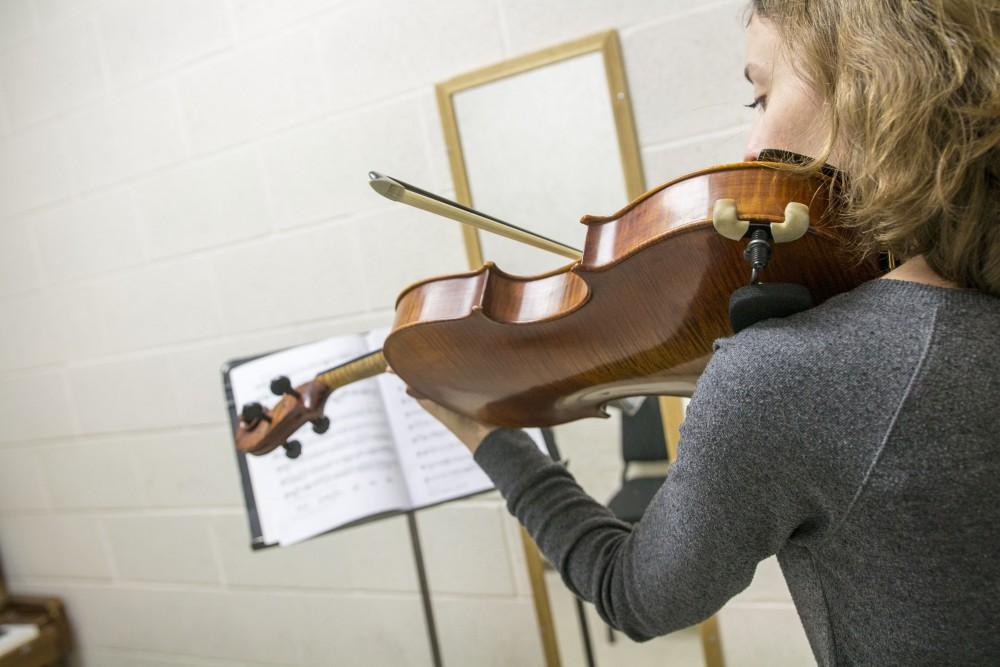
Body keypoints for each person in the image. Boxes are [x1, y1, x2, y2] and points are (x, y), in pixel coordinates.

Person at [413, 2, 1000, 664]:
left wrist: (491, 439)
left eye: (761, 94)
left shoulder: (788, 376)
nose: (752, 148)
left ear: (871, 82)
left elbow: (631, 591)